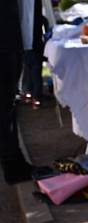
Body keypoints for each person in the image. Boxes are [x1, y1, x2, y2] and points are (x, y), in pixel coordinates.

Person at [1, 0, 31, 184]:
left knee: (9, 106)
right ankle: (12, 165)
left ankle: (15, 161)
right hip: (5, 43)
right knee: (5, 108)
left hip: (10, 41)